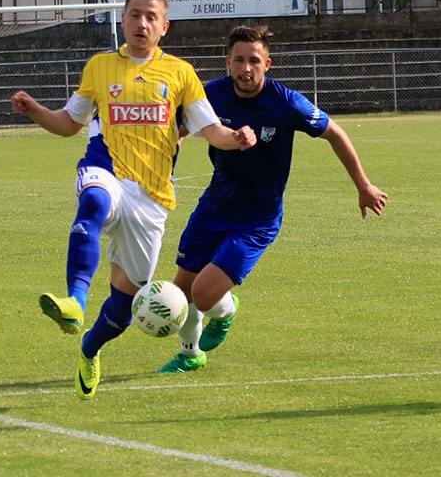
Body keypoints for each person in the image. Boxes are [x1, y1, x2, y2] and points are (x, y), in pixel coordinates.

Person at [11, 0, 257, 399]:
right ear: (122, 20)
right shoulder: (100, 67)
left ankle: (89, 349)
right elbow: (71, 123)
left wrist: (236, 138)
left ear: (164, 26)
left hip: (151, 198)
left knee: (124, 309)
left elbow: (208, 128)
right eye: (134, 14)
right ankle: (74, 301)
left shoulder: (180, 74)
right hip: (105, 167)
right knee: (92, 203)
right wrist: (35, 110)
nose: (141, 23)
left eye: (150, 17)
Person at [157, 25, 388, 373]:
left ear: (268, 63)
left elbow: (335, 133)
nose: (245, 68)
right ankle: (191, 355)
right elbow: (179, 130)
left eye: (253, 60)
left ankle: (226, 311)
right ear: (228, 62)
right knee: (181, 291)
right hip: (214, 207)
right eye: (238, 60)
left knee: (203, 294)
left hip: (257, 219)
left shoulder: (286, 103)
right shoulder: (211, 96)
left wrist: (363, 185)